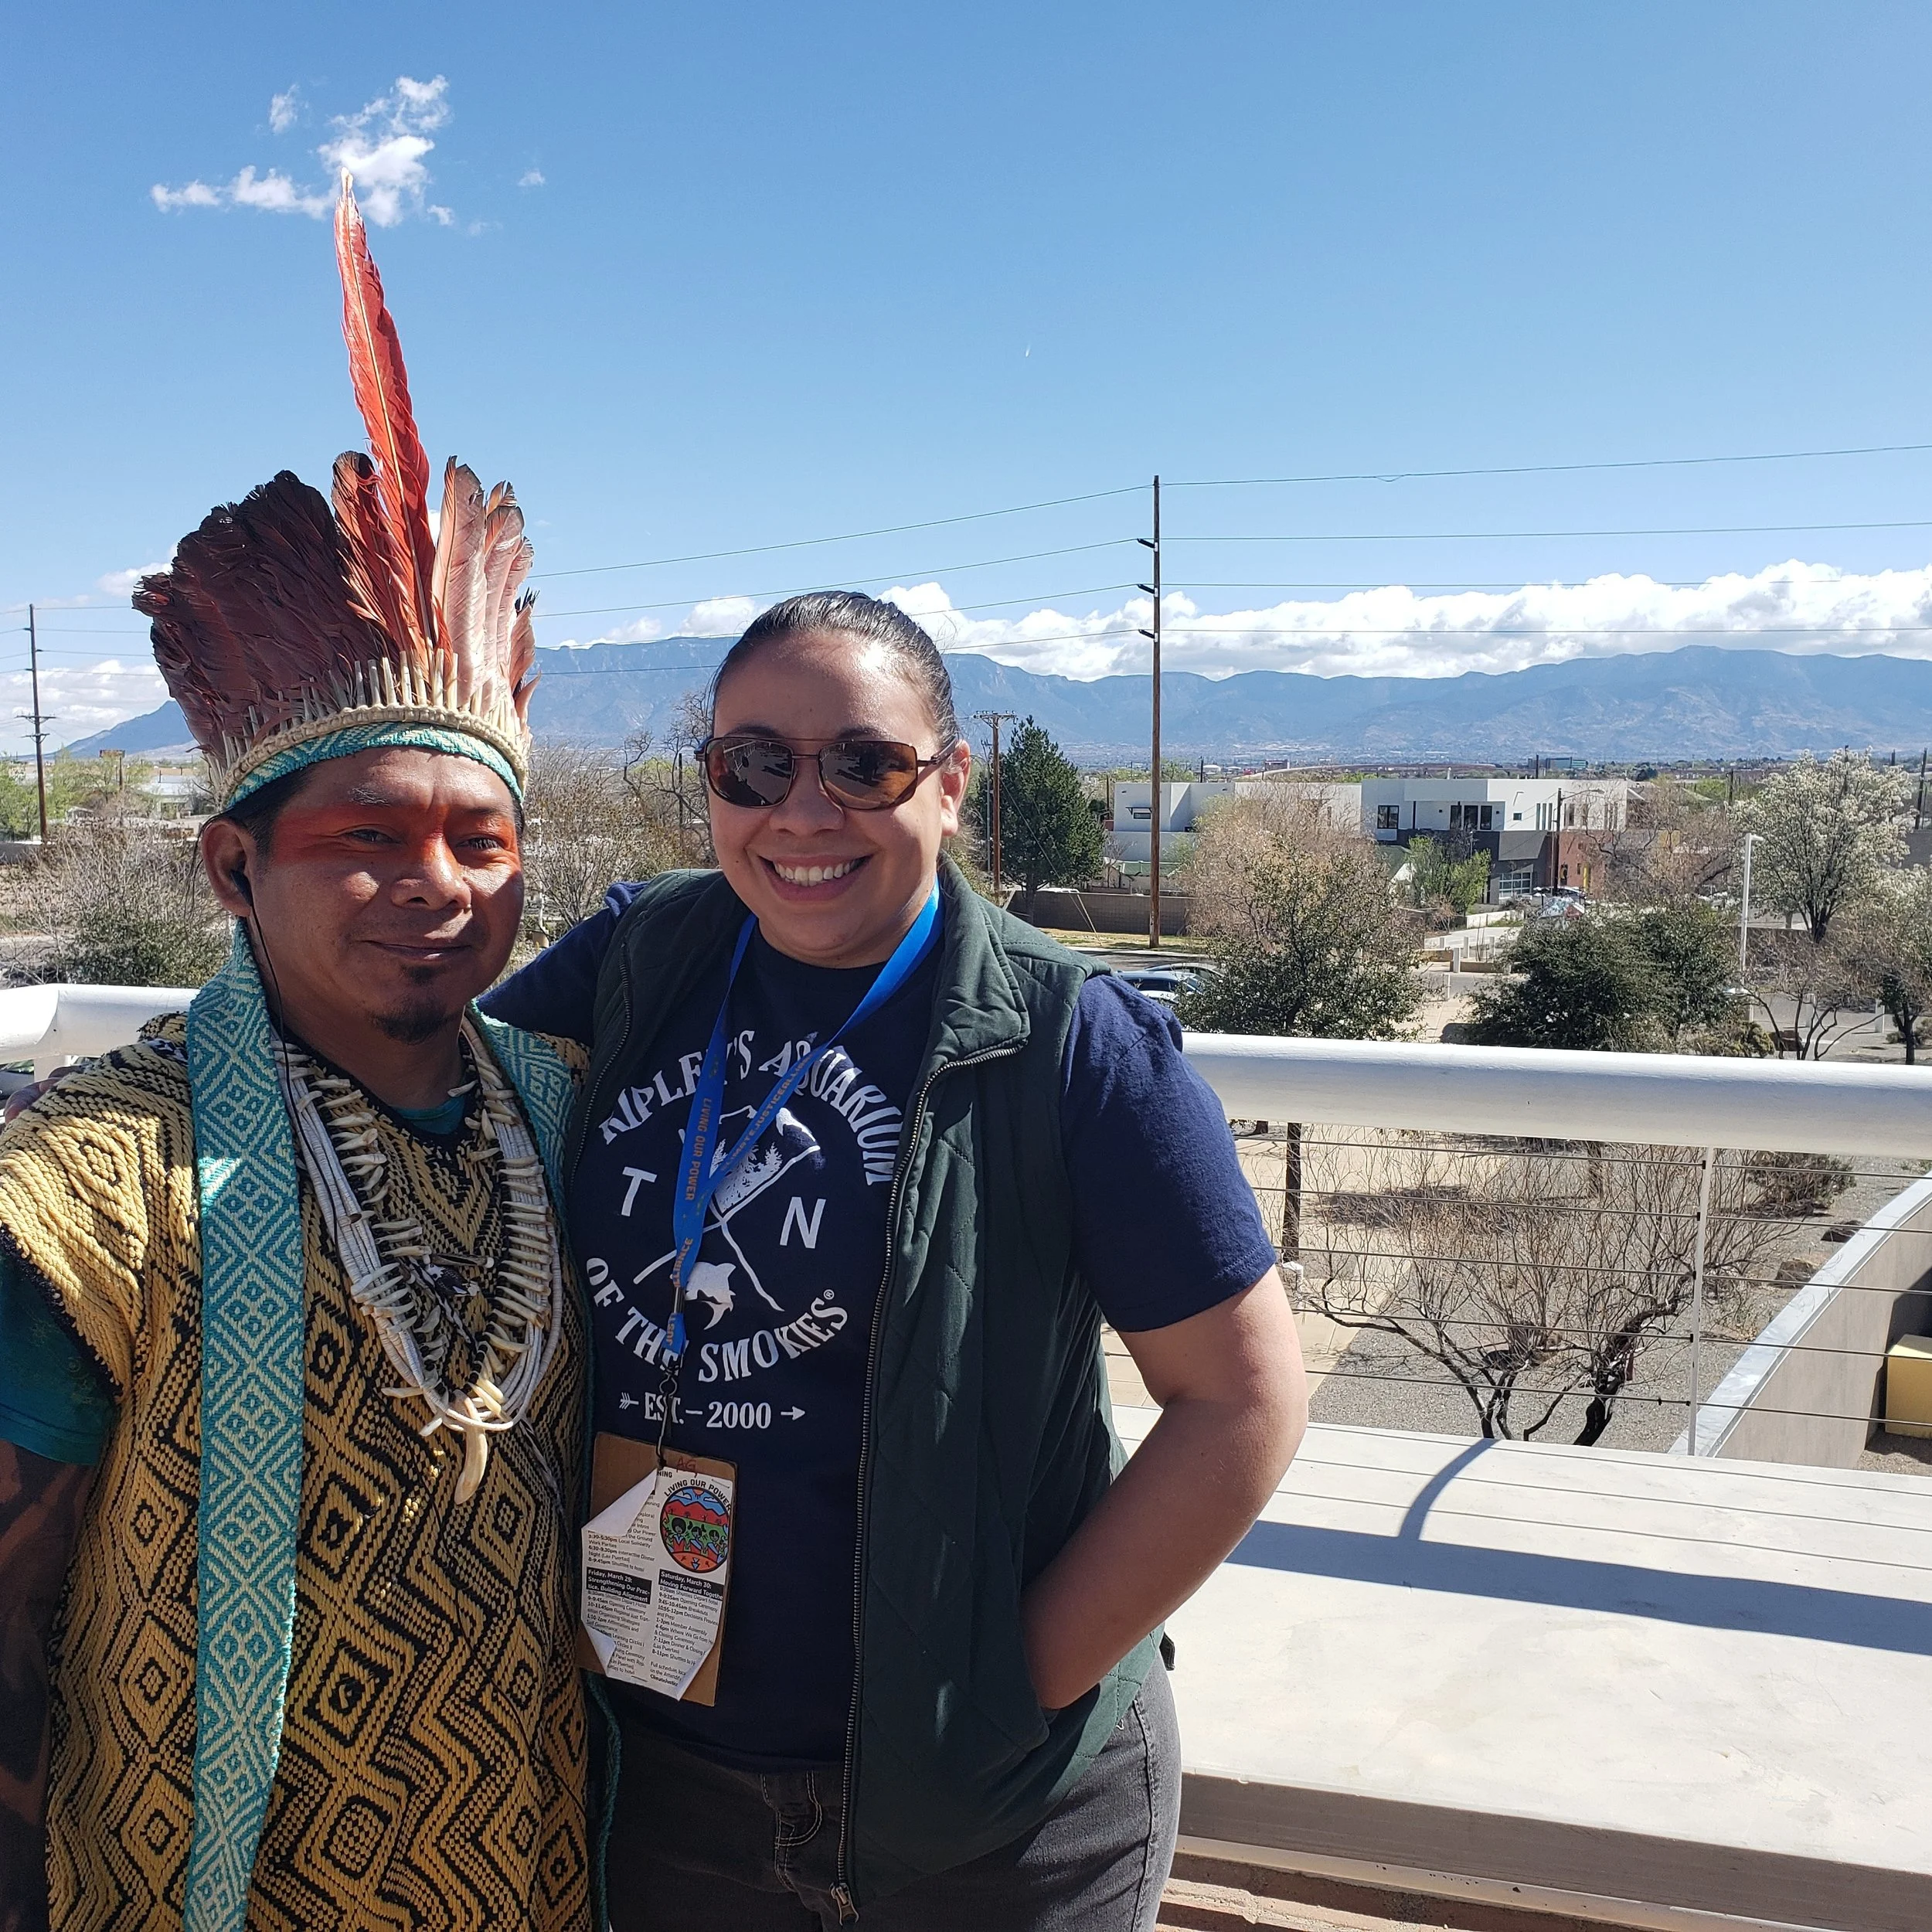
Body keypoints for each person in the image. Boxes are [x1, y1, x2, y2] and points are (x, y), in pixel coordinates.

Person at [483, 589, 1308, 1929]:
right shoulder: (638, 962)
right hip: (668, 1790)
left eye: (864, 765)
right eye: (755, 764)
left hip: (991, 1823)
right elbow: (413, 1094)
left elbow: (1241, 1400)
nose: (804, 813)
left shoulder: (1068, 1039)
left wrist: (1010, 1685)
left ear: (950, 782)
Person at [0, 181, 593, 1932]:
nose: (434, 887)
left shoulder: (562, 1110)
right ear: (233, 864)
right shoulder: (99, 1182)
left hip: (539, 1871)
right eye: (364, 839)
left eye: (480, 842)